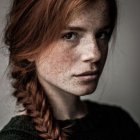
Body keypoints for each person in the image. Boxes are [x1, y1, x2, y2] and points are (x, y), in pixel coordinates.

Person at [0, 0, 140, 140]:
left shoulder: (119, 123)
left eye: (101, 34)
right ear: (29, 46)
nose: (95, 54)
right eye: (70, 35)